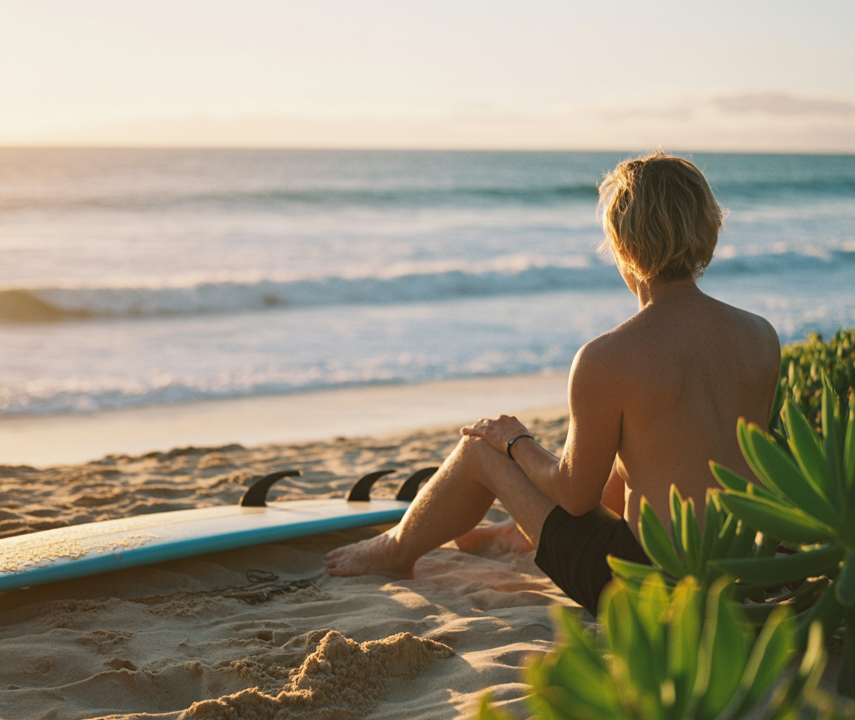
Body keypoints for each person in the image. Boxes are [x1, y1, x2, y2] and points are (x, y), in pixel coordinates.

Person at [325, 151, 780, 614]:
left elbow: (575, 497)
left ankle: (395, 551)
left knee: (480, 447)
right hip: (743, 569)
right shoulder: (760, 335)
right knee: (640, 450)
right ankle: (514, 533)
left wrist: (516, 441)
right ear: (708, 230)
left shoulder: (608, 357)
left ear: (622, 244)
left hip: (642, 583)